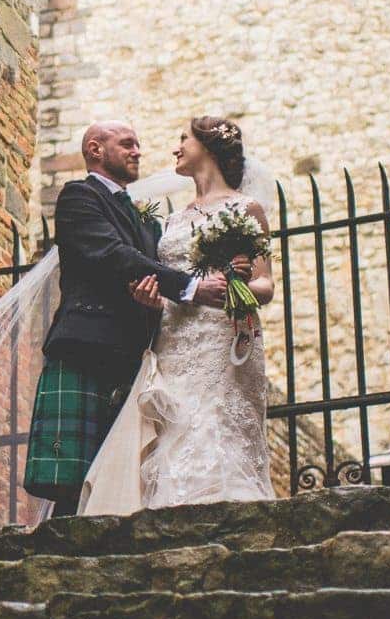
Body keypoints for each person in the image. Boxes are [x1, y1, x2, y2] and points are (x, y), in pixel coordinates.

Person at [20, 122, 232, 517]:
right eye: (127, 144)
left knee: (118, 477)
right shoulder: (78, 196)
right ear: (96, 149)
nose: (138, 151)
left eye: (138, 144)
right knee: (71, 477)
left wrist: (154, 303)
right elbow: (112, 254)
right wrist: (190, 287)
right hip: (87, 346)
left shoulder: (148, 222)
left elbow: (146, 273)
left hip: (133, 353)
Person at [76, 116, 278, 515]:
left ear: (208, 147)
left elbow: (265, 286)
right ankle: (170, 512)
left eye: (183, 139)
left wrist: (233, 289)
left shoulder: (247, 209)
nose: (176, 147)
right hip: (173, 341)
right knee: (177, 429)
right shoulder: (170, 221)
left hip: (221, 338)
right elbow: (167, 285)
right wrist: (152, 301)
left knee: (216, 425)